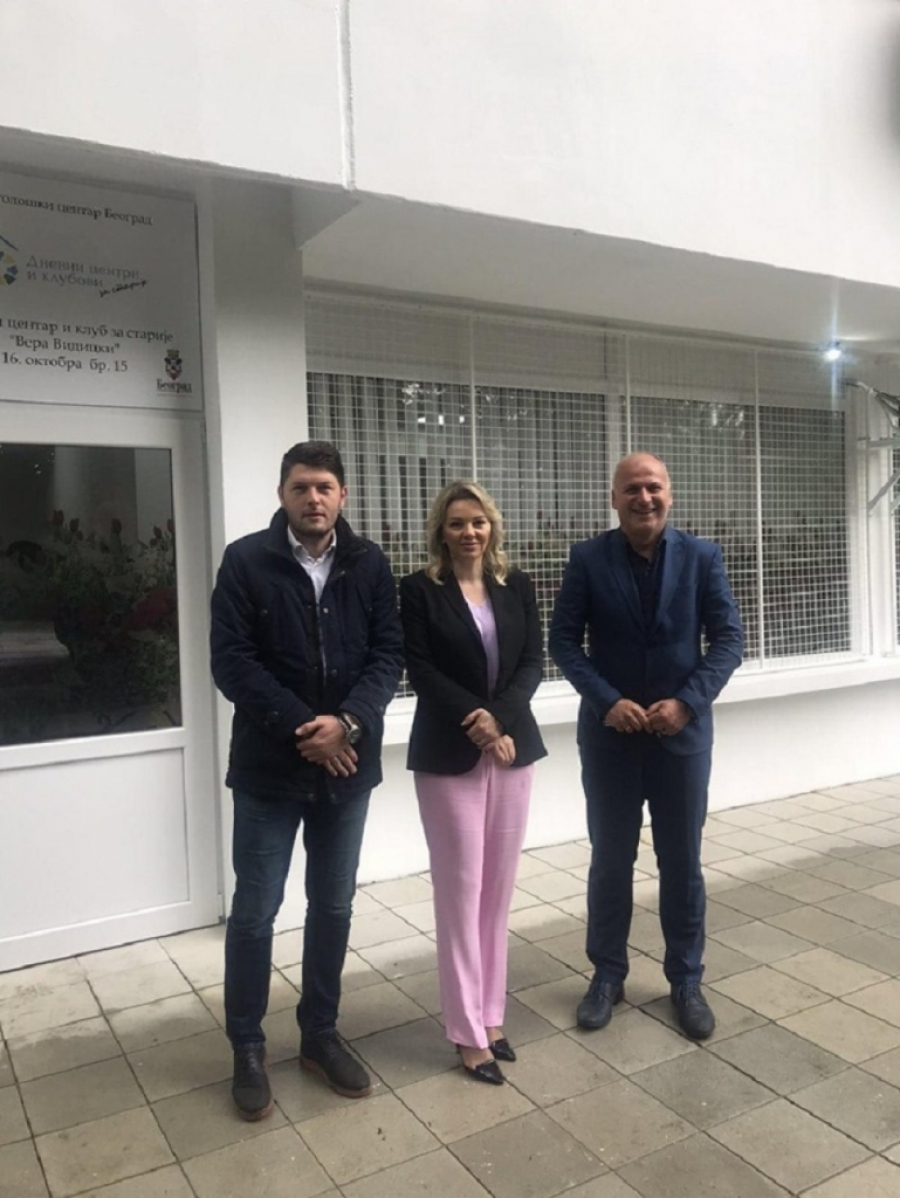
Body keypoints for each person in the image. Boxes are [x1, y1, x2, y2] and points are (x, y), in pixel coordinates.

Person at [210, 441, 404, 1119]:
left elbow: (388, 655)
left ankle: (319, 1034)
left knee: (333, 906)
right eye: (300, 487)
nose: (313, 498)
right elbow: (232, 662)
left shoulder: (369, 562)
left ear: (342, 495)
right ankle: (247, 1046)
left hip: (347, 771)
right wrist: (309, 731)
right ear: (282, 495)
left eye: (324, 486)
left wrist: (347, 724)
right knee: (255, 911)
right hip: (268, 772)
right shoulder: (245, 562)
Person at [548, 453, 743, 1040]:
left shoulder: (703, 557)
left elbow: (728, 640)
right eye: (631, 489)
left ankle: (686, 980)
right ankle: (607, 975)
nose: (644, 498)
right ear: (614, 499)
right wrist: (607, 701)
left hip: (682, 739)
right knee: (611, 861)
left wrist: (687, 703)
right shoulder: (587, 558)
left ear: (670, 495)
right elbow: (563, 641)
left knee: (681, 864)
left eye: (653, 487)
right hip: (611, 739)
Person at [400, 481, 547, 1085]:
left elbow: (533, 662)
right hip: (449, 754)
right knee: (461, 894)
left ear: (493, 527)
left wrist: (501, 719)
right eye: (458, 522)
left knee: (497, 892)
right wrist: (480, 723)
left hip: (513, 750)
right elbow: (420, 669)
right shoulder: (418, 590)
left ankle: (491, 1016)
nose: (469, 532)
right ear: (441, 530)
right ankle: (466, 1032)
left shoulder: (518, 586)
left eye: (479, 521)